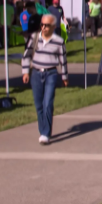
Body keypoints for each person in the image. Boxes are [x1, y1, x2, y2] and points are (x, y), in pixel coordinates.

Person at [21, 15, 69, 144]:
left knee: (47, 103)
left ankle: (45, 133)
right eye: (42, 25)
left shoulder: (58, 41)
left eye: (47, 25)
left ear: (53, 27)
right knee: (39, 105)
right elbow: (26, 55)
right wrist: (25, 72)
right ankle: (42, 129)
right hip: (36, 73)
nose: (43, 27)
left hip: (51, 73)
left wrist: (64, 76)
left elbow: (63, 60)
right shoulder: (34, 38)